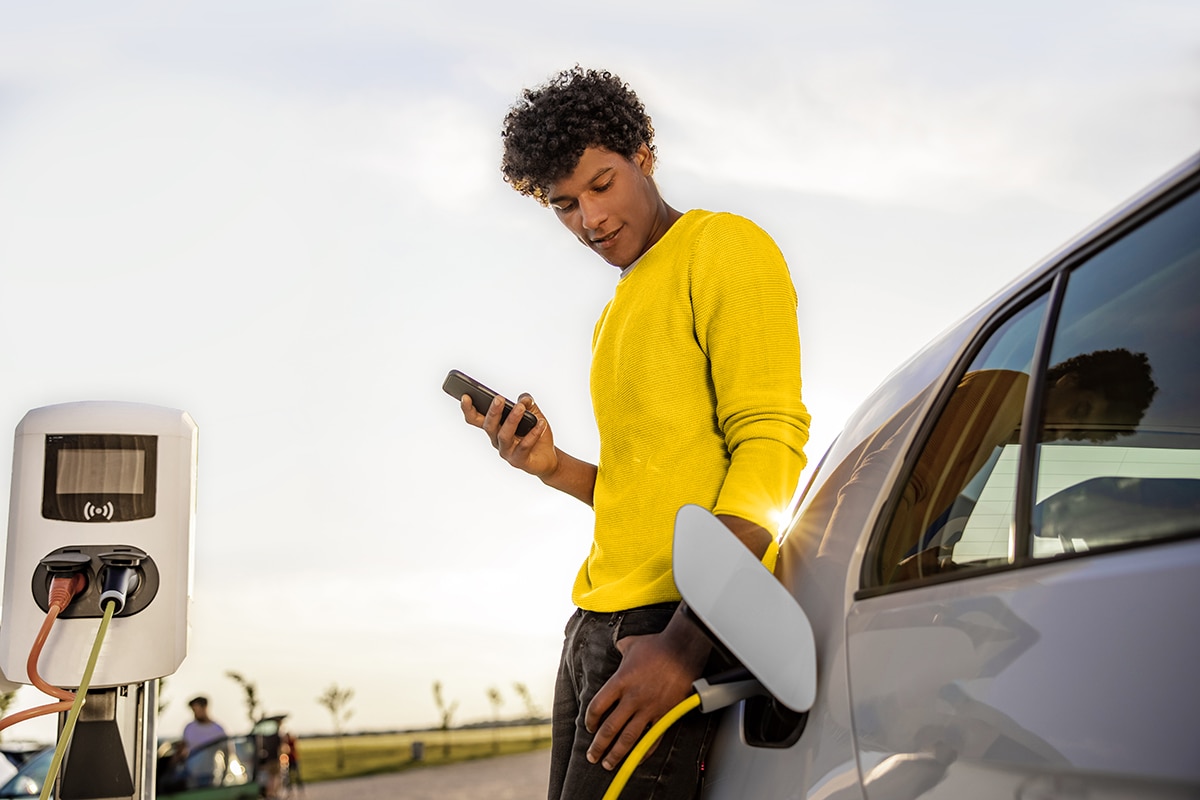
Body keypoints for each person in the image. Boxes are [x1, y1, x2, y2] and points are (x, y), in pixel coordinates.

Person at [458, 66, 811, 799]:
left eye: (601, 184)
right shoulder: (613, 312)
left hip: (673, 623)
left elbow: (769, 446)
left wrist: (683, 645)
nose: (588, 219)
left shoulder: (723, 247)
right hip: (594, 624)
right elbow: (643, 489)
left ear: (643, 155)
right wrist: (550, 465)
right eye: (563, 205)